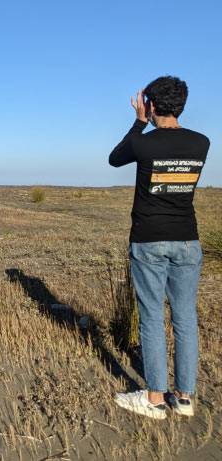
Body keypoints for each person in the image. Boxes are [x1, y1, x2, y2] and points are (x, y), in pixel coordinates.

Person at [109, 76, 210, 419]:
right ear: (181, 104)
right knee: (185, 318)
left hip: (149, 239)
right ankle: (183, 398)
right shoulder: (202, 143)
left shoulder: (144, 143)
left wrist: (138, 121)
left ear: (150, 105)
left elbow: (115, 158)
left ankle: (153, 399)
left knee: (151, 317)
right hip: (187, 239)